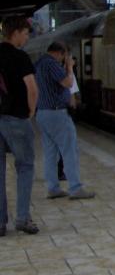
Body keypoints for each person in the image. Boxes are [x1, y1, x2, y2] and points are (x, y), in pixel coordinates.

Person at [34, 42, 94, 200]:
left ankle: (53, 188)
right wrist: (69, 67)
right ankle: (75, 188)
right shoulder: (52, 64)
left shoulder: (39, 63)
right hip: (56, 113)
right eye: (65, 56)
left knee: (50, 152)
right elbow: (67, 83)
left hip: (42, 112)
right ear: (60, 53)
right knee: (69, 150)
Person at [0, 15, 40, 235]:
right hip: (16, 118)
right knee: (24, 167)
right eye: (25, 33)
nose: (26, 38)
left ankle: (0, 223)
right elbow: (32, 88)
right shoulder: (20, 57)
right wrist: (30, 111)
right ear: (15, 33)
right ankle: (23, 219)